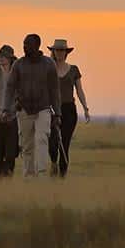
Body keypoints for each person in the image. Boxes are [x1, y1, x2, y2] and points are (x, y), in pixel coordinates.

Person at [5, 33, 60, 177]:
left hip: (43, 109)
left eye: (28, 44)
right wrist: (6, 108)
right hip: (24, 109)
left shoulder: (48, 64)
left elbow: (54, 90)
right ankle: (29, 175)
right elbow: (10, 87)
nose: (25, 47)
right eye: (24, 44)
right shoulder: (18, 64)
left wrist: (58, 113)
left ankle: (41, 173)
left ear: (37, 45)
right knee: (27, 144)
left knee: (42, 139)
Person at [46, 39, 91, 177]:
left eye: (62, 50)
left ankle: (62, 175)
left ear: (66, 52)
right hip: (52, 109)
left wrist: (85, 108)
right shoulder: (48, 69)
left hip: (69, 110)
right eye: (57, 50)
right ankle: (53, 162)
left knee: (64, 143)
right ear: (53, 52)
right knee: (53, 142)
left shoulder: (73, 70)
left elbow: (79, 90)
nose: (59, 53)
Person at [0, 45, 19, 177]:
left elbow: (19, 96)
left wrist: (10, 111)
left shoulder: (16, 75)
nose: (1, 58)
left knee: (10, 151)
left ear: (10, 58)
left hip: (13, 118)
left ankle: (8, 176)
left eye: (4, 56)